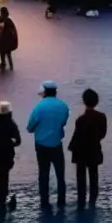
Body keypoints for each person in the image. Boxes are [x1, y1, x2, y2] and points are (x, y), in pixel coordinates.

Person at [27, 80, 70, 209]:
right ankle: (61, 200)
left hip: (41, 145)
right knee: (60, 174)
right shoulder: (63, 106)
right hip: (57, 144)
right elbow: (63, 122)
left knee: (43, 173)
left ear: (44, 92)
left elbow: (30, 127)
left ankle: (44, 200)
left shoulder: (39, 107)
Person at [68, 89, 108, 209]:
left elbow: (77, 136)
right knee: (94, 175)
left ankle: (81, 200)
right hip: (94, 149)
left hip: (80, 152)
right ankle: (93, 199)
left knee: (81, 177)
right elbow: (103, 133)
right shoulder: (102, 117)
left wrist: (71, 146)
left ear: (84, 101)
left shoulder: (80, 120)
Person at [0, 101, 21, 214]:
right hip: (6, 157)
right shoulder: (11, 125)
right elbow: (18, 141)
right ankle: (3, 197)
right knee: (5, 176)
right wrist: (12, 143)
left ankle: (1, 198)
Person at [0, 6, 18, 72]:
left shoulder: (3, 20)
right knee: (8, 54)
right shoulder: (9, 20)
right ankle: (10, 65)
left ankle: (3, 64)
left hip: (4, 42)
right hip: (9, 42)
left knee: (2, 53)